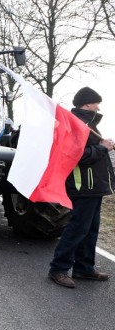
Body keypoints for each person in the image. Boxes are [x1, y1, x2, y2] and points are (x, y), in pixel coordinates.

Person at [48, 87, 115, 288]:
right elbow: (77, 155)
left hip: (94, 186)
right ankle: (58, 269)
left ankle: (84, 268)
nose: (98, 106)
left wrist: (103, 145)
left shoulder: (88, 123)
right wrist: (103, 147)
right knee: (77, 228)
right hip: (83, 185)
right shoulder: (76, 124)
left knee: (91, 228)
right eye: (96, 103)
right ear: (87, 104)